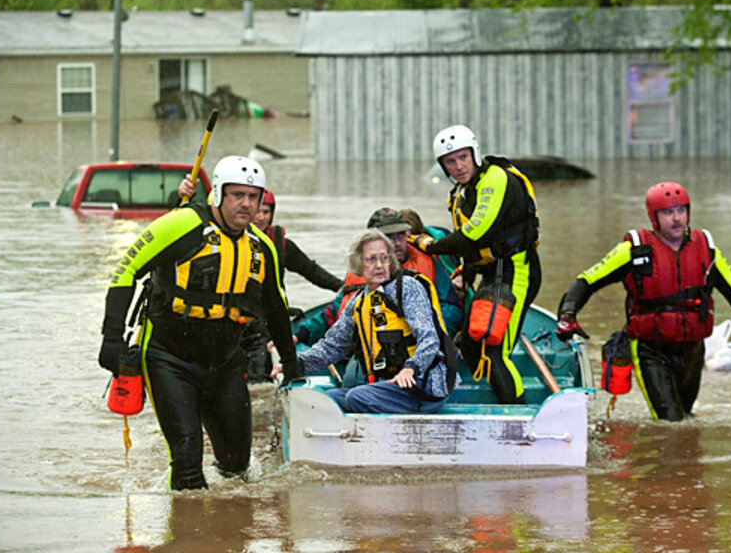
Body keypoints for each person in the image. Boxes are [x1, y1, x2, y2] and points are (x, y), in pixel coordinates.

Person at [98, 156, 300, 490]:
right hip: (168, 358)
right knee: (187, 460)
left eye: (254, 197)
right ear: (218, 193)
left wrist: (290, 361)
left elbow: (275, 307)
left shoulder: (261, 246)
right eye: (237, 195)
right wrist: (111, 338)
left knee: (237, 465)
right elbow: (125, 271)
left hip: (225, 361)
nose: (246, 204)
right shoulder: (180, 224)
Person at [555, 181, 731, 421]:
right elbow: (587, 281)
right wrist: (568, 314)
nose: (677, 218)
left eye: (681, 210)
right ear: (654, 217)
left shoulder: (707, 249)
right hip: (650, 348)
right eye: (668, 212)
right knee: (671, 422)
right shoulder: (632, 250)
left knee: (686, 418)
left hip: (692, 348)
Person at [410, 125, 541, 404]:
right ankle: (490, 401)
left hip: (518, 273)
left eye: (463, 158)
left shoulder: (495, 178)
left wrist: (429, 245)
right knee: (470, 345)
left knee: (494, 353)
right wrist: (466, 275)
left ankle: (518, 415)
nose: (458, 166)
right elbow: (477, 248)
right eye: (450, 161)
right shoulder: (461, 193)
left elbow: (475, 234)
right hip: (492, 276)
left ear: (475, 154)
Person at [271, 229, 460, 413]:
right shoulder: (358, 302)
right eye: (371, 259)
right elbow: (332, 346)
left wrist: (411, 369)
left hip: (421, 385)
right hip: (389, 386)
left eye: (384, 258)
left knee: (355, 397)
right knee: (323, 399)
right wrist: (294, 364)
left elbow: (429, 338)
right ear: (359, 264)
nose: (379, 265)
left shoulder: (407, 288)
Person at [178, 178, 341, 382]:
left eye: (266, 212)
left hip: (265, 320)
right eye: (259, 211)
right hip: (230, 317)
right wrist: (187, 197)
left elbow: (312, 271)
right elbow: (190, 228)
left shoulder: (279, 245)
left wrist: (343, 287)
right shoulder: (219, 239)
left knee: (258, 377)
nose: (261, 217)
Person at [367, 207, 463, 335]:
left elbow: (452, 308)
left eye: (401, 236)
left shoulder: (429, 264)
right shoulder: (361, 268)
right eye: (389, 237)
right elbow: (343, 310)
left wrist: (429, 330)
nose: (397, 243)